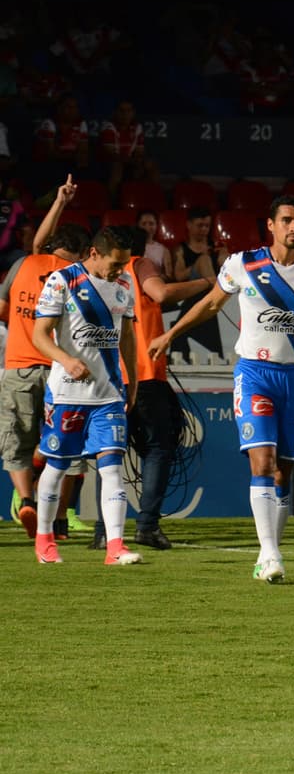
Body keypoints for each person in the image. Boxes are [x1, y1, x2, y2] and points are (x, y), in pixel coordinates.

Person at [150, 195, 294, 584]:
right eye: (287, 220)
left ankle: (270, 551)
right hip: (255, 374)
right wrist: (171, 333)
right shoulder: (243, 264)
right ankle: (270, 554)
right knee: (262, 462)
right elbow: (212, 305)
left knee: (285, 472)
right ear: (271, 225)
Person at [30, 226, 140, 566]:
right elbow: (39, 335)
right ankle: (45, 539)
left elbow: (127, 338)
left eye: (124, 264)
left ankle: (115, 546)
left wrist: (132, 381)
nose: (120, 271)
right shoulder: (62, 281)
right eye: (115, 263)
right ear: (94, 253)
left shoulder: (124, 285)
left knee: (111, 467)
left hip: (108, 393)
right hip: (67, 393)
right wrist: (66, 359)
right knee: (58, 465)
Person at [117, 219, 215, 550]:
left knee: (111, 451)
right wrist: (206, 282)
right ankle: (146, 525)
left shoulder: (98, 274)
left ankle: (106, 530)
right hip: (144, 373)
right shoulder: (138, 264)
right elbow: (161, 292)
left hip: (112, 375)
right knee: (160, 447)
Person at [0, 176, 88, 537]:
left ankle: (26, 501)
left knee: (16, 441)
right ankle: (61, 520)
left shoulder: (24, 264)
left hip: (19, 366)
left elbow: (3, 307)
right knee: (66, 446)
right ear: (83, 253)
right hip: (61, 369)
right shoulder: (79, 277)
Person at [170, 207, 224, 361]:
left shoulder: (216, 247)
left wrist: (222, 256)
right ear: (189, 225)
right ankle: (217, 293)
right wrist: (201, 259)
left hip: (210, 287)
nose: (204, 230)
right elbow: (179, 276)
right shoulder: (180, 249)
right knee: (204, 260)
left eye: (207, 226)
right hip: (192, 289)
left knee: (226, 258)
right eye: (200, 226)